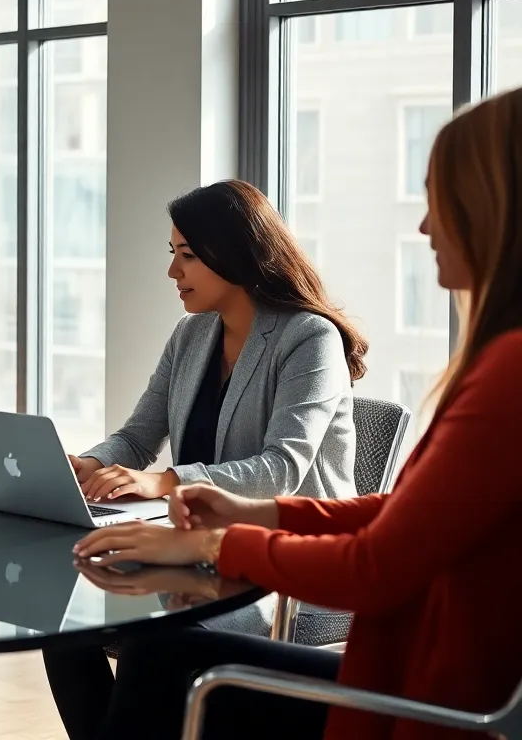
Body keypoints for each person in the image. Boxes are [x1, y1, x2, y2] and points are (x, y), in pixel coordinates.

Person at [72, 87, 522, 739]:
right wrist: (257, 514)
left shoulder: (505, 375)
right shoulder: (500, 364)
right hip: (401, 673)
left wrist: (215, 540)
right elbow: (400, 515)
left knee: (159, 656)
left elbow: (375, 565)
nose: (424, 226)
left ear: (494, 209)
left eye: (439, 198)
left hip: (417, 706)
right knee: (121, 644)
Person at [43, 178, 368, 737]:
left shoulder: (308, 339)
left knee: (155, 646)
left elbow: (280, 469)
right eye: (172, 254)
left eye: (188, 256)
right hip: (192, 548)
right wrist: (93, 464)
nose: (173, 272)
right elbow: (138, 435)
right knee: (59, 625)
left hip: (280, 563)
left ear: (235, 252)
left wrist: (164, 482)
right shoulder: (191, 335)